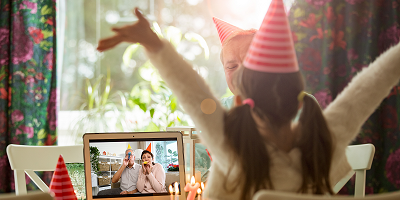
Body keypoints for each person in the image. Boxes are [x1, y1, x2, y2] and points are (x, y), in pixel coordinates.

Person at [97, 0, 400, 199]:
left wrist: (152, 42)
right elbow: (367, 89)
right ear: (299, 98)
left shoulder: (232, 145)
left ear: (242, 103)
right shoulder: (323, 138)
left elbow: (193, 94)